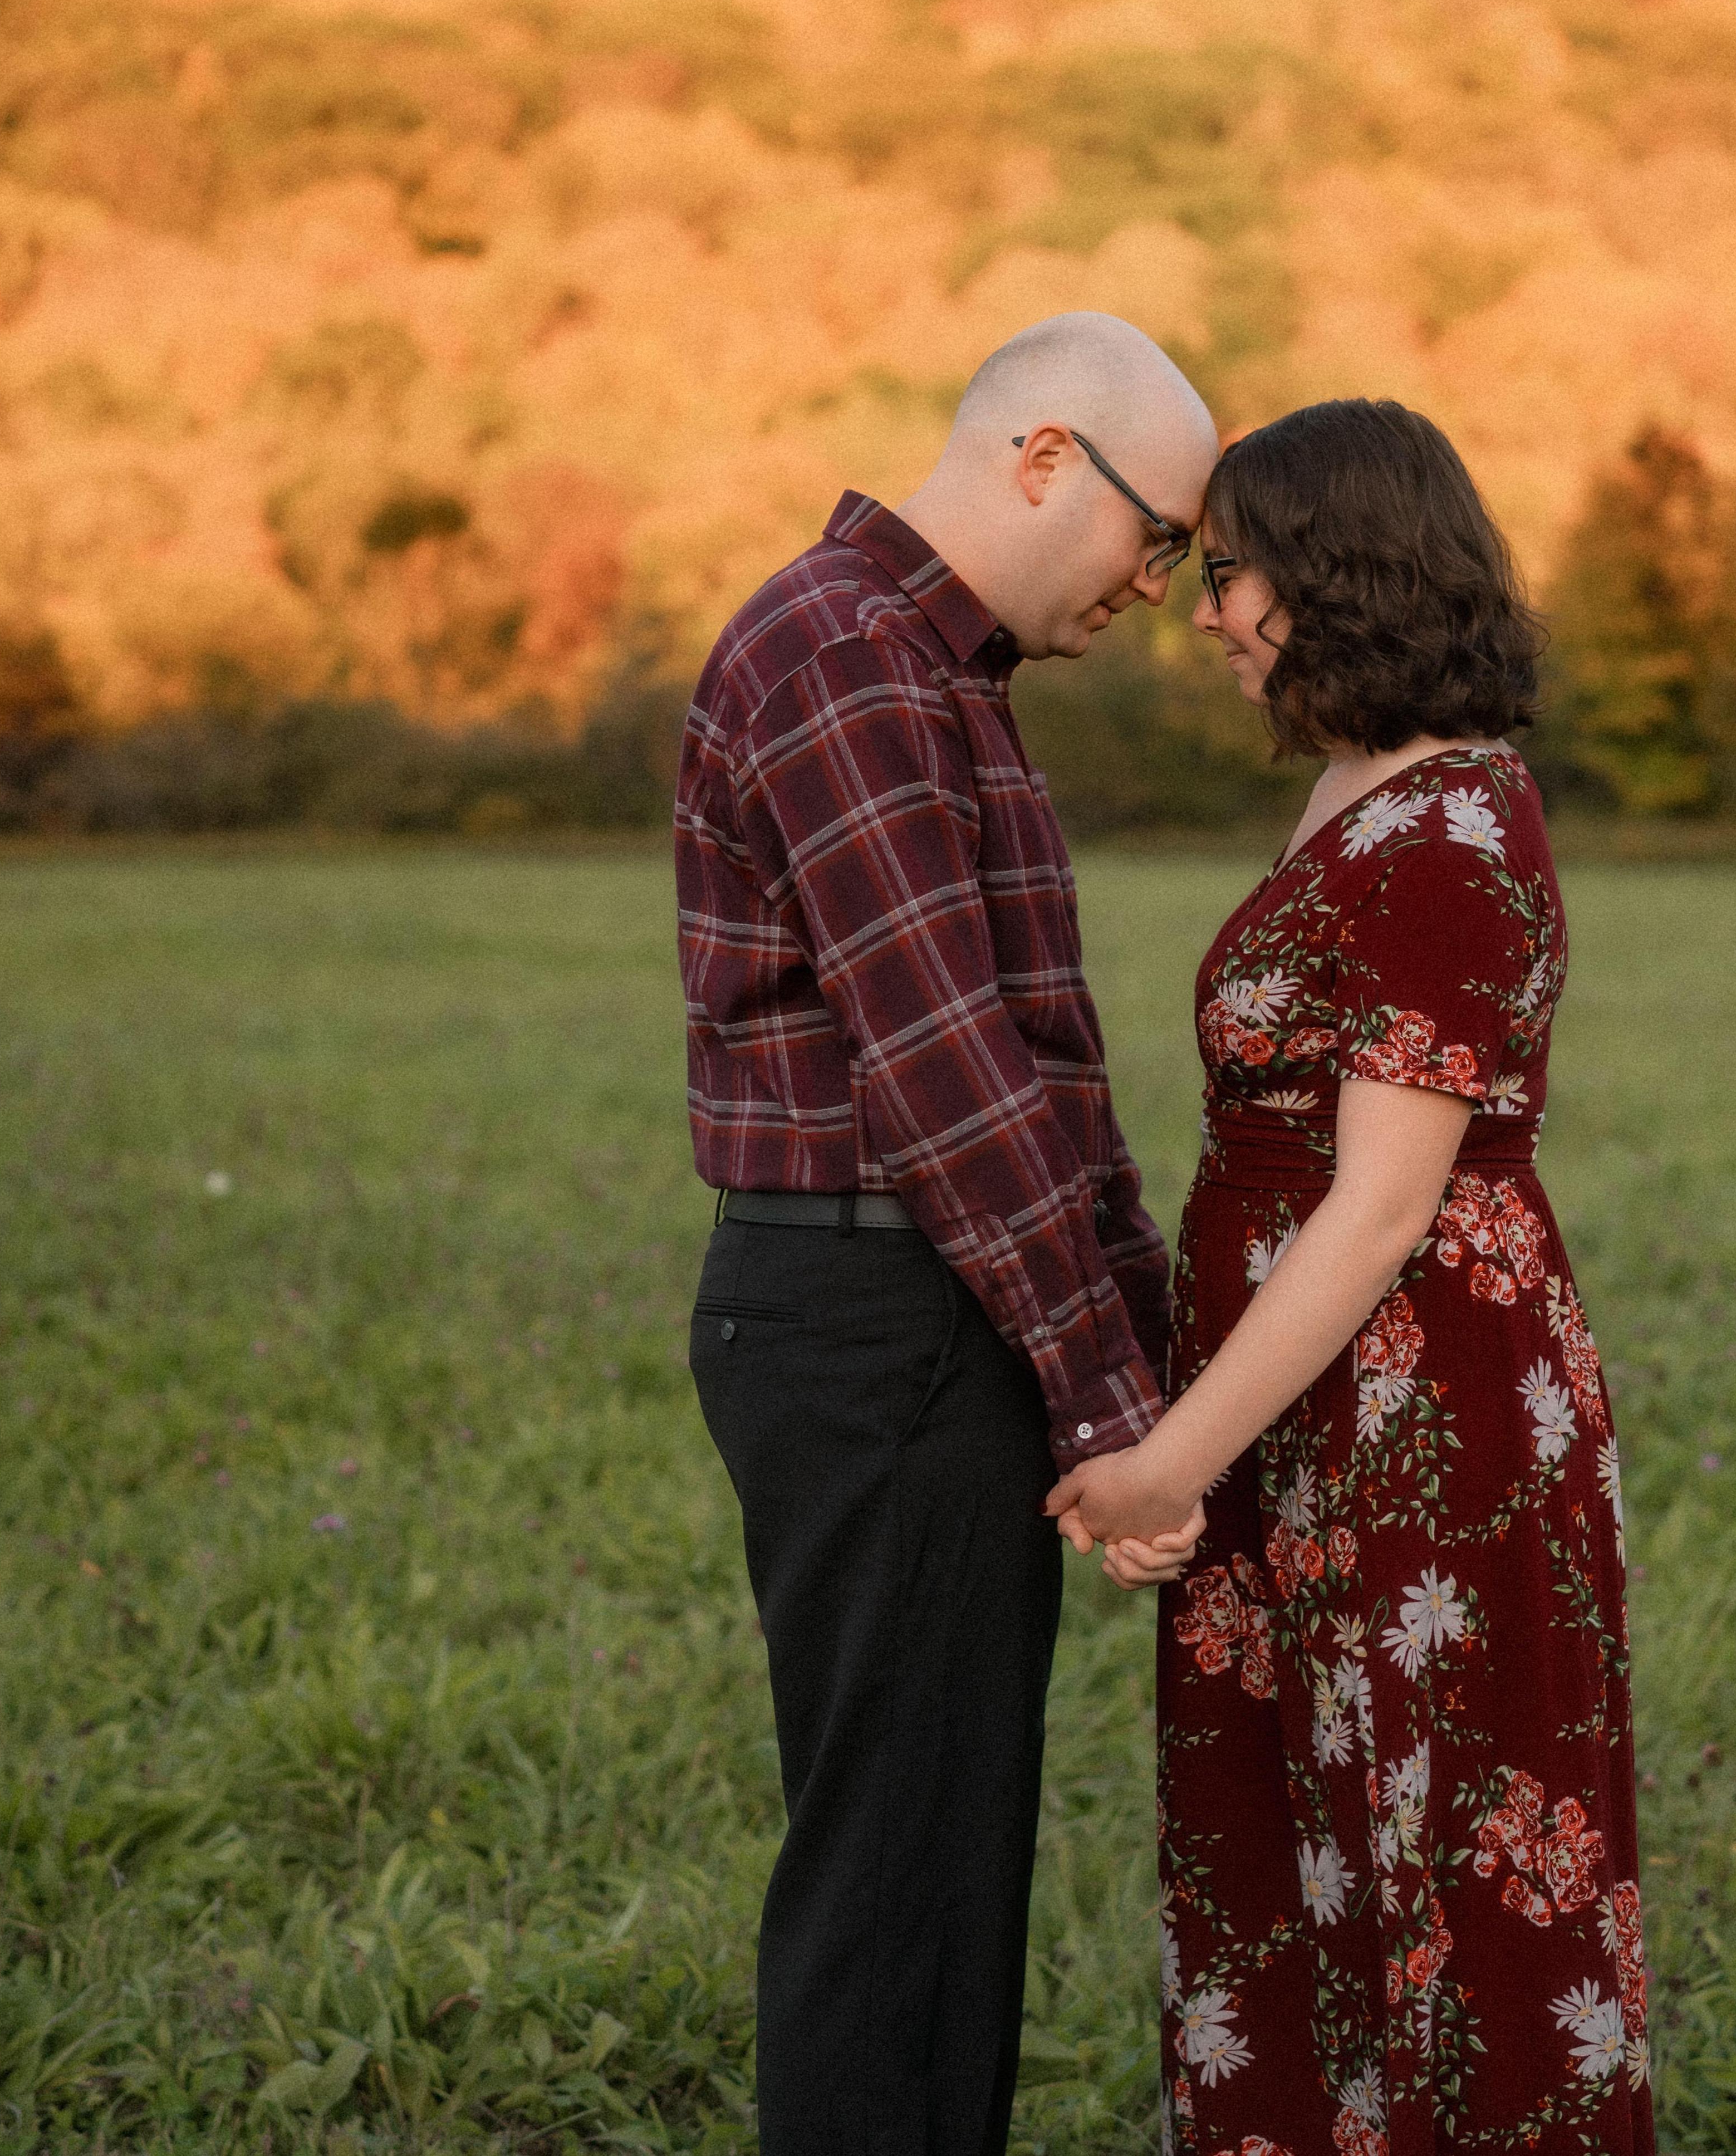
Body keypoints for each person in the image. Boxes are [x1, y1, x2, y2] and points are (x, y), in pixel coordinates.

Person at [1048, 399, 1653, 2155]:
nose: (1205, 608)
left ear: (1333, 569)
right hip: (1311, 1405)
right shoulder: (1358, 785)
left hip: (1411, 1418)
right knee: (1303, 1836)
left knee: (1440, 1855)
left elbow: (1383, 1207)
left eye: (1228, 569)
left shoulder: (1455, 829)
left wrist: (1173, 1457)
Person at [675, 310, 1220, 2156]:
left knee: (946, 1851)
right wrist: (1104, 1414)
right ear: (1043, 457)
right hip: (870, 1307)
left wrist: (1140, 1364)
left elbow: (1049, 1081)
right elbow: (947, 1079)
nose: (1163, 584)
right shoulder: (844, 660)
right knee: (896, 1877)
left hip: (920, 1301)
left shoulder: (935, 676)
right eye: (1159, 533)